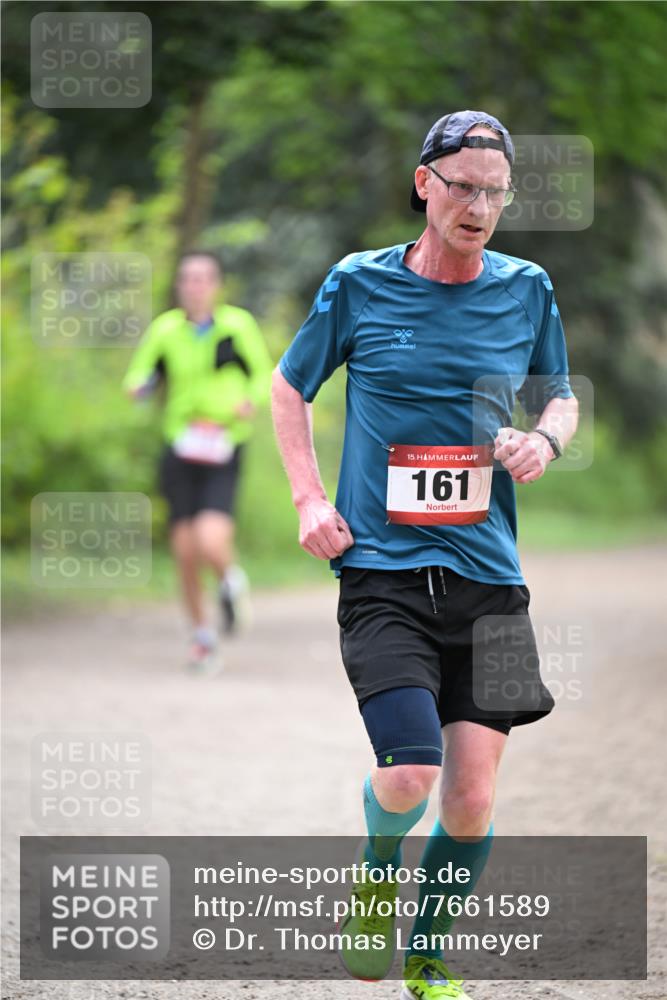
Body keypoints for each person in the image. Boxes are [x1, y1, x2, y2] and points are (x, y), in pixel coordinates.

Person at [271, 111, 579, 998]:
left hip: (490, 579)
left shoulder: (526, 287)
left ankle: (428, 951)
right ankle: (376, 868)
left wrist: (544, 442)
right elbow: (290, 385)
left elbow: (558, 393)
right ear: (423, 185)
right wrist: (308, 497)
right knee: (408, 774)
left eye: (495, 190)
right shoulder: (359, 285)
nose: (479, 206)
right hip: (383, 573)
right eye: (463, 187)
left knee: (472, 799)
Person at [124, 250, 272, 671]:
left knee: (211, 538)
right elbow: (141, 373)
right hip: (181, 445)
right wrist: (138, 387)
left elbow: (265, 376)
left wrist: (249, 402)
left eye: (203, 278)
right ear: (179, 286)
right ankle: (202, 638)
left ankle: (230, 581)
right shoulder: (166, 330)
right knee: (185, 551)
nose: (195, 286)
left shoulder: (236, 325)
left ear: (217, 284)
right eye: (187, 279)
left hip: (224, 442)